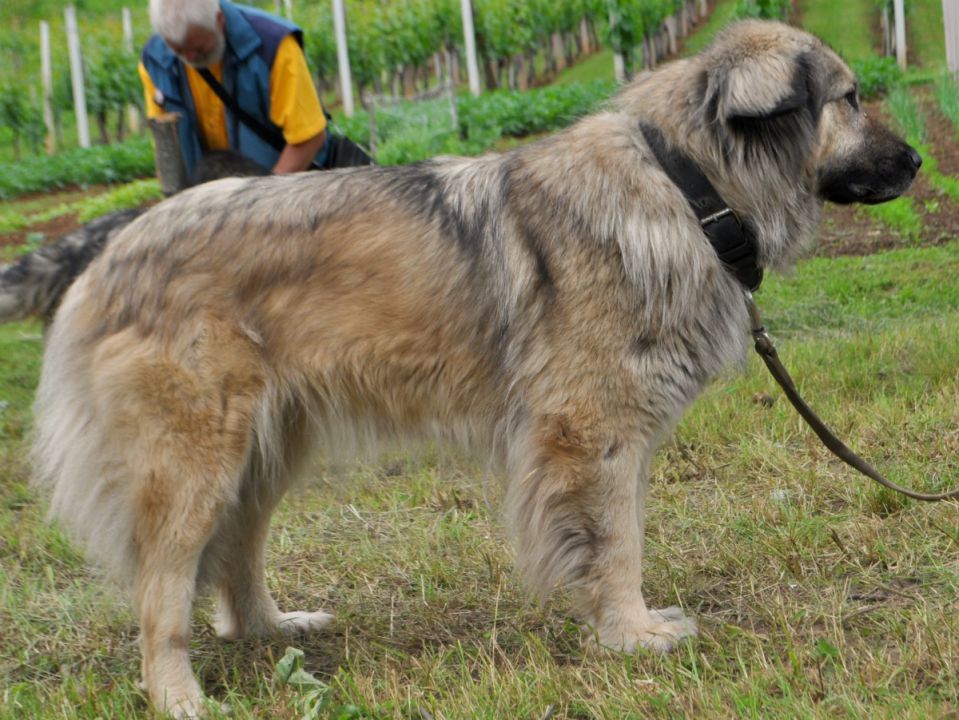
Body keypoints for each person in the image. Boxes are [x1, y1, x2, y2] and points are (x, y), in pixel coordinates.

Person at [138, 0, 329, 178]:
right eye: (179, 50)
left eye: (199, 48)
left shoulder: (273, 47)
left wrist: (260, 201)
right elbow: (165, 144)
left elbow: (308, 138)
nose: (190, 57)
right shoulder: (155, 60)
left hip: (280, 188)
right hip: (206, 194)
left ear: (219, 20)